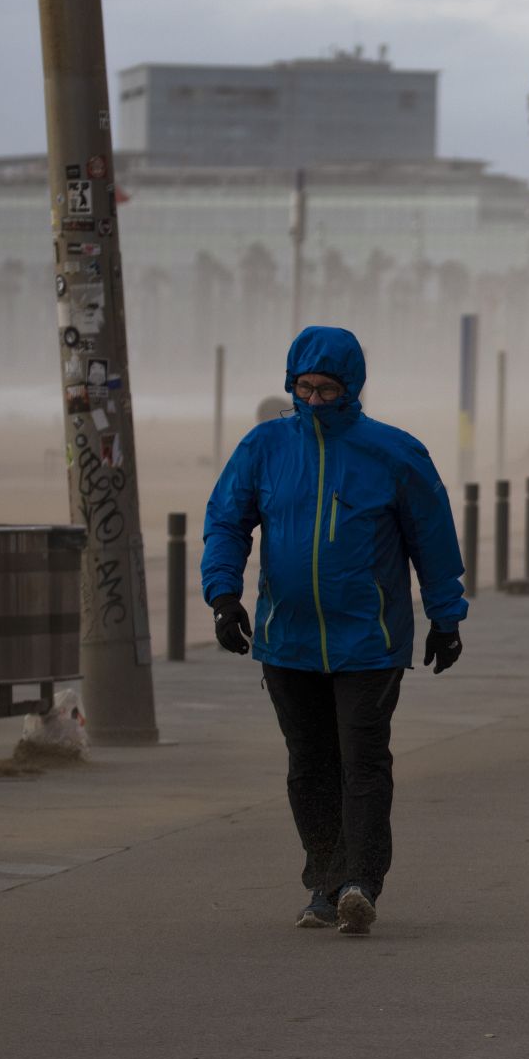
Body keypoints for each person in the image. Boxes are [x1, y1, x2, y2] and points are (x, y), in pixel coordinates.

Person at [203, 326, 467, 935]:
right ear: (291, 386)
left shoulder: (395, 453)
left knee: (363, 760)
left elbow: (434, 541)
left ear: (351, 388)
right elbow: (226, 521)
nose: (315, 400)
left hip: (369, 640)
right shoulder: (264, 447)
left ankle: (361, 882)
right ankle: (324, 880)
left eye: (327, 390)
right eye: (305, 388)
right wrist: (223, 595)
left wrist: (446, 619)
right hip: (286, 638)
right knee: (309, 765)